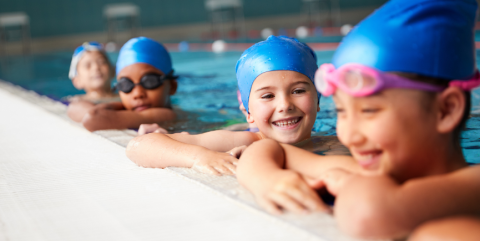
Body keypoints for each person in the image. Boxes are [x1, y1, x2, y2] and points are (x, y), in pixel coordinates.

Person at [236, 0, 480, 240]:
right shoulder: (377, 167)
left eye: (369, 111)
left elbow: (368, 214)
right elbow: (267, 148)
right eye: (342, 112)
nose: (348, 135)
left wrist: (348, 182)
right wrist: (266, 179)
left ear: (446, 110)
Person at [126, 36, 346, 176]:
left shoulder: (332, 143)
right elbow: (140, 146)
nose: (285, 105)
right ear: (248, 111)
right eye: (268, 96)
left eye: (298, 91)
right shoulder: (243, 141)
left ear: (318, 99)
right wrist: (200, 157)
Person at [67, 37, 178, 131]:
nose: (137, 94)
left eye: (149, 81)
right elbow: (73, 108)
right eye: (126, 85)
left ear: (172, 86)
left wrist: (123, 105)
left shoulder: (166, 114)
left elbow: (92, 118)